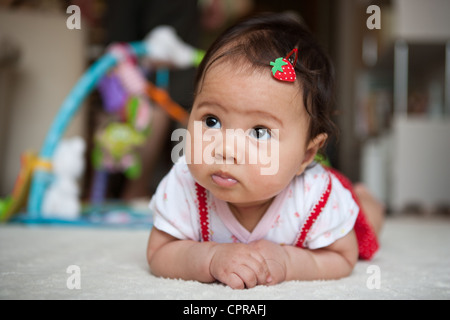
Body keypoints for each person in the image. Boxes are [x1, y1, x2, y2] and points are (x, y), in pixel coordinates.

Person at [146, 12, 385, 289]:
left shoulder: (317, 196)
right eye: (212, 121)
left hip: (329, 195)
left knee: (365, 224)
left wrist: (288, 260)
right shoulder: (185, 182)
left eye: (259, 132)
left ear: (306, 155)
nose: (225, 149)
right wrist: (209, 257)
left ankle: (366, 199)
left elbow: (343, 256)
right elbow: (158, 252)